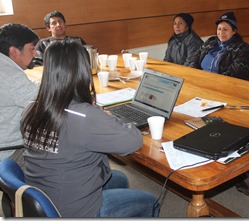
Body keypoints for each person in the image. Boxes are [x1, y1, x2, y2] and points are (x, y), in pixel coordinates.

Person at [20, 40, 159, 217]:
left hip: (43, 194)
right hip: (72, 211)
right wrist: (107, 116)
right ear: (82, 72)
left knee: (119, 178)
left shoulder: (31, 107)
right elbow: (134, 140)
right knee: (150, 202)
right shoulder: (84, 117)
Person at [0, 23, 40, 217]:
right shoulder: (9, 76)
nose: (35, 54)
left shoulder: (5, 67)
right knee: (58, 160)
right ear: (14, 51)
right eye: (31, 49)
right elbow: (44, 98)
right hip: (8, 150)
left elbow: (29, 88)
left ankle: (12, 202)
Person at [186, 11, 249, 80]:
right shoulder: (210, 41)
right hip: (201, 79)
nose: (221, 32)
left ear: (234, 31)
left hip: (223, 85)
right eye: (219, 29)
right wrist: (194, 74)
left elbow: (235, 74)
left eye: (225, 29)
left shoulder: (242, 49)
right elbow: (194, 58)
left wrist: (211, 81)